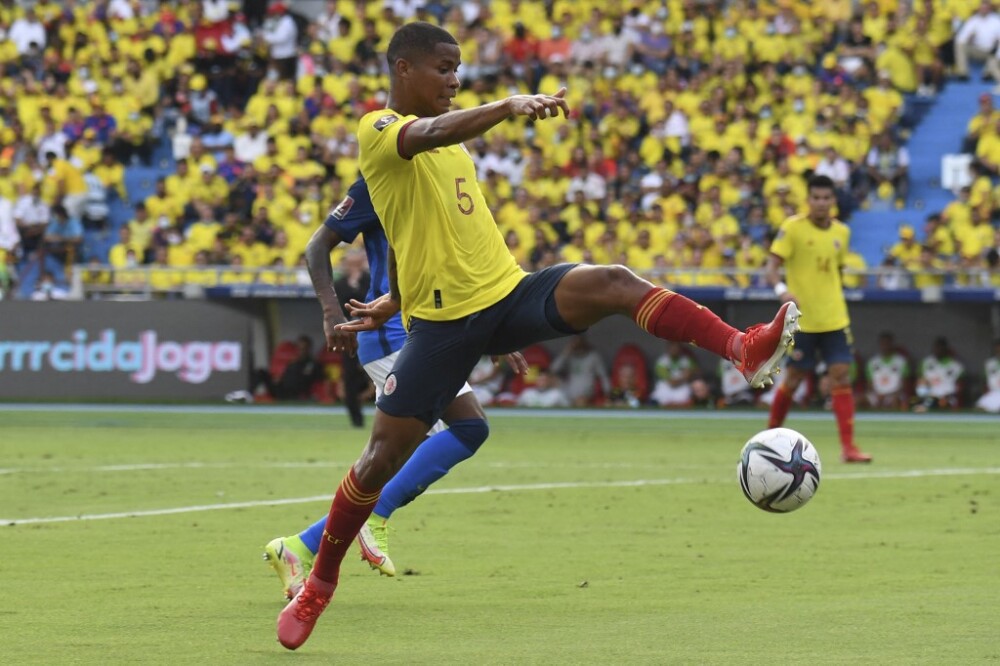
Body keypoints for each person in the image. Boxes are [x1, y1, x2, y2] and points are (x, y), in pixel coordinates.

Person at [277, 22, 799, 650]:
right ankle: (319, 584)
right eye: (443, 67)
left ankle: (743, 349)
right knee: (378, 460)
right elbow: (433, 133)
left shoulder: (454, 152)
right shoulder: (379, 130)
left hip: (505, 294)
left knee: (612, 280)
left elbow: (444, 242)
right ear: (402, 69)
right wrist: (508, 105)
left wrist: (446, 310)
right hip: (443, 330)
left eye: (458, 67)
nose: (454, 78)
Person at [262, 176, 526, 599]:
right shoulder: (380, 181)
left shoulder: (443, 177)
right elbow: (316, 247)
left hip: (430, 329)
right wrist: (331, 312)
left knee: (421, 444)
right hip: (390, 333)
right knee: (463, 429)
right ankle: (373, 515)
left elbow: (459, 262)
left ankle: (300, 547)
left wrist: (495, 332)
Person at [765, 174, 873, 464]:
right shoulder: (793, 229)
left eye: (827, 198)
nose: (822, 203)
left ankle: (849, 448)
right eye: (816, 198)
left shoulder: (842, 233)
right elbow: (771, 266)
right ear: (808, 200)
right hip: (802, 321)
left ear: (833, 201)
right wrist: (781, 289)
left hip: (835, 318)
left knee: (840, 375)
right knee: (794, 378)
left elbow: (836, 272)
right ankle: (767, 439)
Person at [333, 250, 372, 428]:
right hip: (350, 331)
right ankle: (356, 419)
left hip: (371, 329)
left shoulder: (369, 280)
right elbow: (337, 307)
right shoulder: (340, 283)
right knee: (349, 375)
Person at [550, 335, 610, 406]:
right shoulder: (569, 356)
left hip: (586, 393)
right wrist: (565, 352)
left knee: (580, 401)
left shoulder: (593, 356)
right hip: (569, 392)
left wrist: (608, 392)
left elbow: (603, 376)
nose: (578, 345)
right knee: (554, 383)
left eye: (580, 343)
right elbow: (553, 369)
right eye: (575, 343)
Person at [913, 337, 964, 413]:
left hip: (948, 396)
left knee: (943, 404)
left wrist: (949, 395)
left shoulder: (956, 365)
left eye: (940, 348)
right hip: (929, 396)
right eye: (936, 347)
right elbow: (920, 382)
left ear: (945, 349)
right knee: (919, 407)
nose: (938, 350)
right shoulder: (926, 363)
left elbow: (960, 386)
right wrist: (923, 394)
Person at [865, 331, 911, 410]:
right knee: (858, 399)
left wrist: (889, 394)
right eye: (883, 343)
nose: (885, 346)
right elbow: (869, 384)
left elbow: (904, 384)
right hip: (876, 394)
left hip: (895, 394)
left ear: (892, 344)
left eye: (887, 343)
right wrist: (877, 394)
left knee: (895, 400)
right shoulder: (872, 362)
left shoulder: (901, 361)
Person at [975, 339, 1000, 413]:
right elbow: (983, 380)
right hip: (993, 393)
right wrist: (985, 392)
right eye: (997, 349)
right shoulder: (989, 363)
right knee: (979, 408)